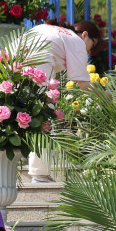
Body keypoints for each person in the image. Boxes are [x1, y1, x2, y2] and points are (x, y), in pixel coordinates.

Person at [24, 22, 92, 184]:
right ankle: (39, 173)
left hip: (17, 52)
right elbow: (83, 84)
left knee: (19, 111)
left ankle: (26, 167)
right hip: (38, 57)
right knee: (43, 113)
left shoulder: (59, 33)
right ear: (85, 35)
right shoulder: (76, 41)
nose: (89, 51)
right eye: (92, 45)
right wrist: (105, 95)